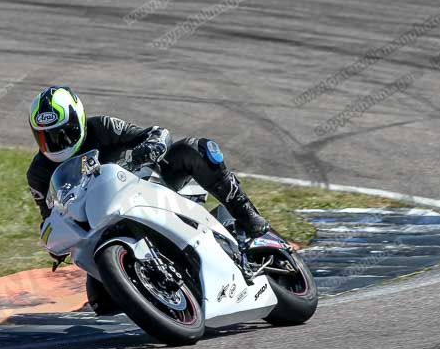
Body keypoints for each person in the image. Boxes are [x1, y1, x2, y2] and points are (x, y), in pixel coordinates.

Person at [26, 85, 270, 236]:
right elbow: (49, 216)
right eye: (45, 136)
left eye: (62, 132)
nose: (56, 142)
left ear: (78, 120)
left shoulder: (102, 127)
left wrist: (150, 147)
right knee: (100, 300)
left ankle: (246, 213)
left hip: (146, 186)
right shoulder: (38, 173)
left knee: (193, 149)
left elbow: (156, 132)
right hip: (100, 226)